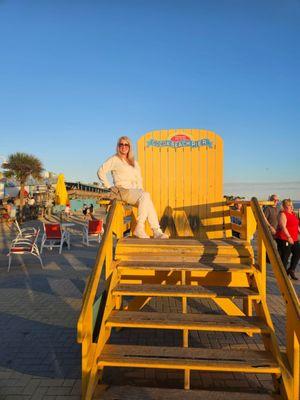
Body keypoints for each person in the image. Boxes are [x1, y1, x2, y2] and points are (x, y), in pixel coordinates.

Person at [97, 136, 169, 239]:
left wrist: (141, 191)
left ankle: (156, 231)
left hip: (135, 191)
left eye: (126, 144)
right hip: (123, 190)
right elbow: (101, 171)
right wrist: (109, 186)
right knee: (146, 196)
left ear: (130, 147)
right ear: (118, 146)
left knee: (146, 199)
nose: (123, 146)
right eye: (121, 144)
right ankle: (143, 228)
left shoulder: (134, 162)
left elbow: (139, 179)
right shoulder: (114, 159)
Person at [275, 199, 300, 280]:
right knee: (285, 255)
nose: (291, 207)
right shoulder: (282, 214)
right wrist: (288, 237)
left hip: (294, 238)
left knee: (297, 253)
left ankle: (291, 270)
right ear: (284, 207)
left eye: (291, 205)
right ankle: (283, 273)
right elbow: (283, 227)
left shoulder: (293, 214)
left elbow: (297, 225)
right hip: (284, 238)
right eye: (289, 205)